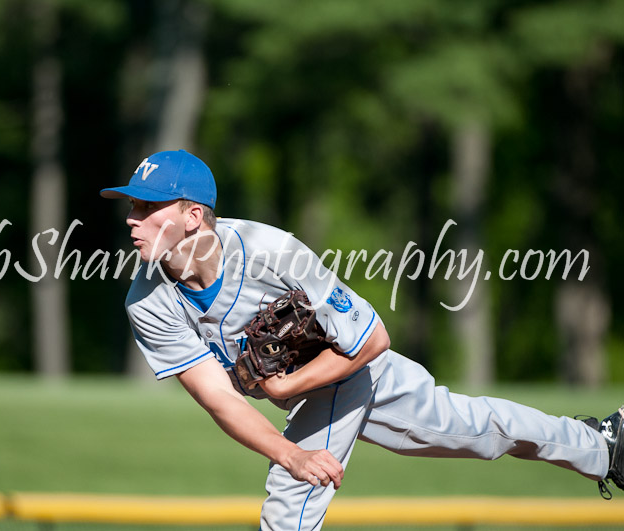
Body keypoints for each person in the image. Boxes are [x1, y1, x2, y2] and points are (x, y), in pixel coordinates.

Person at [100, 149, 623, 530]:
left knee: (294, 493)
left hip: (347, 365)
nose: (131, 219)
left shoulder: (270, 251)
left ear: (193, 216)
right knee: (475, 428)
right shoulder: (147, 301)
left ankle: (600, 445)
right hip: (322, 381)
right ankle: (603, 446)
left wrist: (290, 415)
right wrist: (286, 448)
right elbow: (217, 397)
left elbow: (373, 339)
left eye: (147, 208)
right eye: (131, 207)